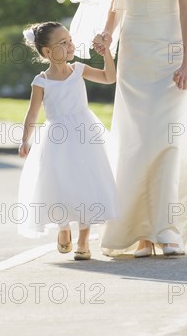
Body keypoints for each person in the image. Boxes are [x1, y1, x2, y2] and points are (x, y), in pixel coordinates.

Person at [70, 0, 187, 257]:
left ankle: (166, 230)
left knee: (168, 140)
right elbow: (115, 4)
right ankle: (140, 234)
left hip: (171, 57)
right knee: (136, 142)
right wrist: (107, 35)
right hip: (134, 57)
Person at [18, 21, 118, 260]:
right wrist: (25, 140)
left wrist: (107, 56)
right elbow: (32, 113)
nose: (70, 45)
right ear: (47, 52)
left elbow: (109, 78)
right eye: (63, 43)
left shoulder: (79, 70)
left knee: (87, 181)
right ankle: (63, 226)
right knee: (60, 181)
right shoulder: (41, 81)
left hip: (85, 133)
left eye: (70, 40)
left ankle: (84, 239)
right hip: (57, 138)